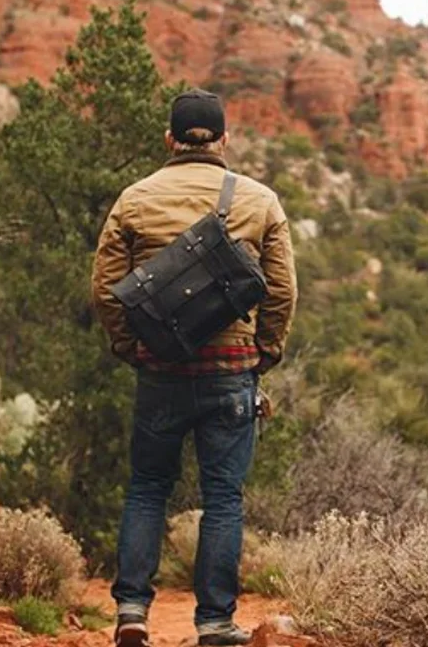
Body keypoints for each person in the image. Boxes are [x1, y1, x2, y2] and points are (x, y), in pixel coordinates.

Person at [92, 90, 298, 647]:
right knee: (223, 497)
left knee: (147, 487)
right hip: (231, 370)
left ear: (170, 140)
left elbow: (106, 290)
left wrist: (129, 347)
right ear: (225, 140)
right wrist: (265, 352)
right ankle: (213, 624)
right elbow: (282, 290)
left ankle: (132, 611)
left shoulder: (134, 200)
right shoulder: (259, 201)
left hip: (159, 369)